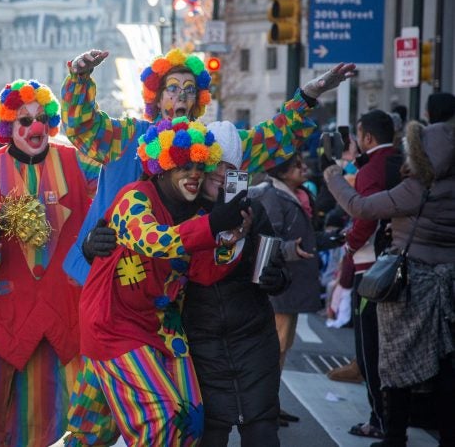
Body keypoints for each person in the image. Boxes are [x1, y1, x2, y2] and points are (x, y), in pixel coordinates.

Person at [62, 48, 355, 445]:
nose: (180, 97)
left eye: (188, 89)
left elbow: (272, 139)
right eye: (171, 89)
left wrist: (306, 97)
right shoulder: (128, 138)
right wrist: (80, 78)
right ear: (156, 96)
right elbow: (83, 127)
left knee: (177, 419)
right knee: (105, 424)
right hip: (113, 302)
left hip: (170, 307)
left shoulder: (212, 146)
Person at [79, 116, 249, 446]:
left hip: (163, 328)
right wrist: (213, 225)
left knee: (190, 419)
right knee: (162, 419)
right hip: (114, 326)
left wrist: (234, 236)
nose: (195, 175)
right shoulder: (134, 197)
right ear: (163, 166)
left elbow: (205, 270)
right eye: (184, 166)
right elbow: (154, 241)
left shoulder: (198, 214)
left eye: (201, 167)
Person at [0, 79, 100, 447]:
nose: (34, 128)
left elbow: (110, 195)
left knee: (63, 404)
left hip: (63, 305)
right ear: (8, 126)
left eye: (41, 119)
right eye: (24, 121)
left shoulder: (76, 161)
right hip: (1, 307)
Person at [323, 115, 455, 447]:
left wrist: (334, 177)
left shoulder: (418, 186)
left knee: (396, 359)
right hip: (449, 283)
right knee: (445, 363)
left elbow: (361, 207)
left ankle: (393, 435)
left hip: (412, 282)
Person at [181, 120, 291, 447]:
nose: (220, 174)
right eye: (213, 166)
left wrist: (275, 277)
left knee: (261, 432)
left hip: (253, 341)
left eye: (229, 168)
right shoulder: (180, 212)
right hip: (199, 346)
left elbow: (277, 271)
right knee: (209, 435)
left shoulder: (253, 210)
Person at [324, 110, 401, 440]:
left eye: (357, 135)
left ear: (367, 138)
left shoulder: (372, 169)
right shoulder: (402, 162)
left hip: (372, 271)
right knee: (393, 349)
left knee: (371, 349)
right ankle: (392, 419)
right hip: (401, 266)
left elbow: (365, 216)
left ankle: (378, 419)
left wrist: (350, 246)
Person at [251, 152, 320, 426]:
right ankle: (265, 407)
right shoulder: (273, 196)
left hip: (291, 282)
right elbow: (269, 238)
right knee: (274, 348)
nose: (304, 168)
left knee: (282, 347)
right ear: (281, 173)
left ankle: (272, 405)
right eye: (296, 166)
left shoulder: (296, 194)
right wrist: (292, 249)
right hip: (280, 284)